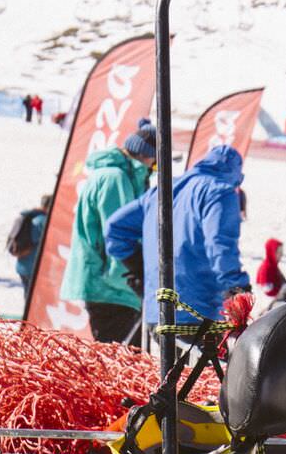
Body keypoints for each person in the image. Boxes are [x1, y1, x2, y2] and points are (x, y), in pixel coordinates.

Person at [105, 142, 249, 333]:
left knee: (163, 363)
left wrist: (139, 268)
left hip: (156, 310)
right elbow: (219, 244)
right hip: (197, 310)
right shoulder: (220, 191)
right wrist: (238, 286)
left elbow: (114, 228)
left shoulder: (163, 189)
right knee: (209, 363)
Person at [64, 124, 157, 343]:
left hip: (110, 289)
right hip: (111, 289)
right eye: (155, 164)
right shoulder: (115, 179)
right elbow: (118, 236)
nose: (154, 169)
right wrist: (130, 280)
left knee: (116, 361)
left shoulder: (115, 176)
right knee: (119, 364)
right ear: (147, 156)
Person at [8, 196, 49, 316]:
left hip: (22, 266)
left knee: (29, 297)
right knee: (38, 300)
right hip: (35, 268)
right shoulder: (44, 221)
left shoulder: (28, 218)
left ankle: (28, 321)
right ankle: (35, 323)